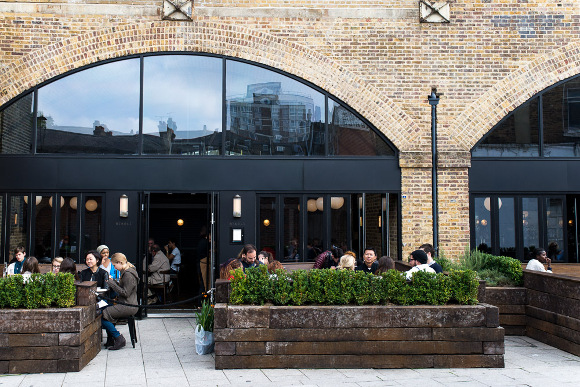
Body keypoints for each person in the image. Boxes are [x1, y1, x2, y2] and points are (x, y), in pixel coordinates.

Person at [102, 253, 139, 351]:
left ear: (119, 262)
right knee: (107, 310)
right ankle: (111, 339)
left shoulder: (128, 274)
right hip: (128, 304)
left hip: (128, 306)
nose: (114, 268)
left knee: (104, 313)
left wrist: (111, 283)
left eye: (114, 265)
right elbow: (124, 288)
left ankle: (118, 338)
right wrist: (114, 281)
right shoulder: (127, 272)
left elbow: (125, 293)